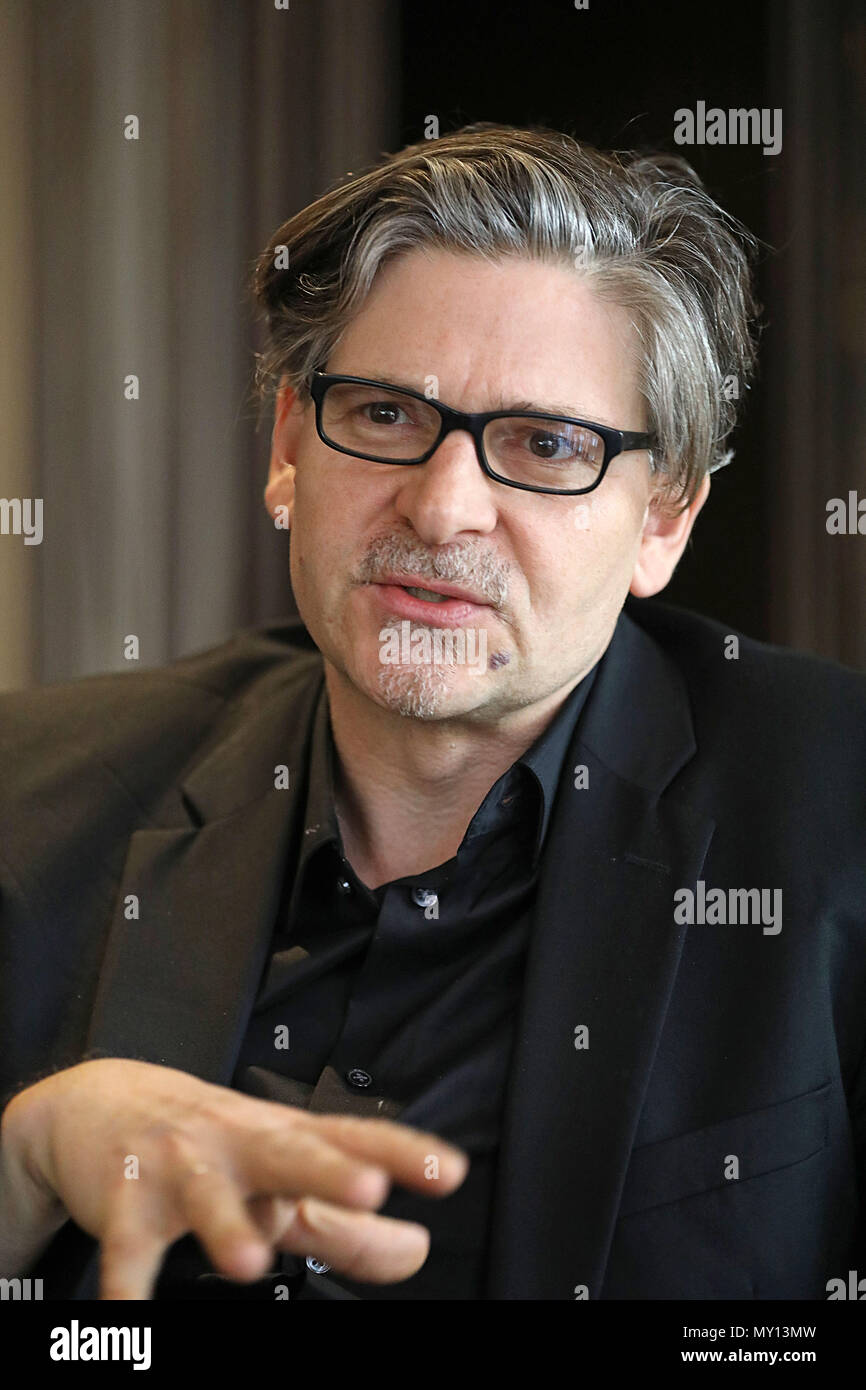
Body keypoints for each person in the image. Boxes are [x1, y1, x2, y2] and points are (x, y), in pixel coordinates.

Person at [1, 123, 864, 1302]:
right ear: (291, 447)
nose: (443, 506)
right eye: (387, 416)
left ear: (661, 518)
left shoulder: (835, 807)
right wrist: (22, 1164)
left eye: (545, 443)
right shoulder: (30, 794)